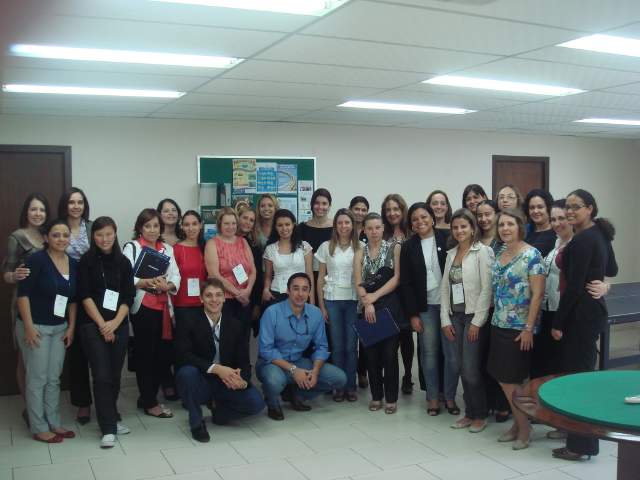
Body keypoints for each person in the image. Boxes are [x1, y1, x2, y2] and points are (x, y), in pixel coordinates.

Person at [551, 189, 618, 461]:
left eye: (575, 207)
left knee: (578, 382)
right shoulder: (599, 233)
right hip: (593, 313)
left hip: (580, 317)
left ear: (590, 208)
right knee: (583, 378)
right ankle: (579, 440)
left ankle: (580, 446)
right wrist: (603, 283)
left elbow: (574, 287)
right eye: (567, 206)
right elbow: (611, 269)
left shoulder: (582, 240)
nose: (569, 211)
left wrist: (558, 322)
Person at [175, 278, 265, 442]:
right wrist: (217, 369)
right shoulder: (188, 320)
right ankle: (196, 422)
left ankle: (220, 412)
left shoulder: (236, 324)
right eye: (209, 295)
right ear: (201, 299)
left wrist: (242, 381)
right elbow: (183, 356)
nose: (214, 300)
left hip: (226, 382)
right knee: (187, 373)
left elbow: (244, 362)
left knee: (256, 403)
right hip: (200, 380)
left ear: (224, 298)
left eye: (218, 295)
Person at [487, 208, 545, 451]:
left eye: (510, 224)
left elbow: (538, 294)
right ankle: (517, 425)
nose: (505, 228)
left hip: (519, 328)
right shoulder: (500, 252)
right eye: (501, 225)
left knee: (512, 382)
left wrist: (529, 328)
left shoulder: (532, 255)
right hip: (498, 323)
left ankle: (524, 429)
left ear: (520, 226)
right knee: (504, 380)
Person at [16, 219, 77, 443]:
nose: (61, 239)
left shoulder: (73, 263)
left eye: (65, 235)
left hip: (60, 328)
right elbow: (23, 295)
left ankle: (54, 422)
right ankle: (38, 427)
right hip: (36, 328)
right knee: (37, 378)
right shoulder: (37, 260)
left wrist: (71, 327)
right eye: (55, 235)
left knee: (53, 378)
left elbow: (73, 300)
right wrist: (29, 327)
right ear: (46, 238)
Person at [76, 217, 135, 448]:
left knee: (114, 375)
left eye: (108, 234)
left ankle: (111, 417)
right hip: (92, 325)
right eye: (99, 234)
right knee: (101, 376)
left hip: (119, 324)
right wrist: (103, 325)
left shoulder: (123, 262)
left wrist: (115, 323)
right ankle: (108, 428)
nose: (104, 239)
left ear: (115, 234)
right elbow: (84, 295)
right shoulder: (86, 261)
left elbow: (128, 296)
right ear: (93, 236)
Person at [256, 273, 347, 420]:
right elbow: (266, 350)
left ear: (309, 292)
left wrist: (315, 371)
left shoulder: (315, 314)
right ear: (288, 291)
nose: (300, 294)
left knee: (339, 378)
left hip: (298, 361)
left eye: (305, 289)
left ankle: (297, 395)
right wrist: (293, 370)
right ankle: (272, 403)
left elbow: (321, 347)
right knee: (274, 381)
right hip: (272, 363)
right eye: (296, 288)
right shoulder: (272, 312)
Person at [399, 203, 458, 416]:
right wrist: (413, 315)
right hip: (425, 308)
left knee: (451, 354)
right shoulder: (408, 246)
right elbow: (406, 284)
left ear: (432, 218)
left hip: (450, 306)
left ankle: (449, 396)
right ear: (411, 224)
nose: (420, 222)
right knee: (429, 354)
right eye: (415, 219)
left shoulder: (448, 238)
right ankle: (432, 397)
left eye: (424, 217)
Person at [123, 208, 181, 418]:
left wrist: (168, 285)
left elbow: (176, 275)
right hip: (143, 308)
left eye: (156, 225)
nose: (152, 229)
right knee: (146, 356)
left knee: (162, 356)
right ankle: (150, 402)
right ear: (140, 227)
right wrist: (146, 282)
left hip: (163, 308)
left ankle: (147, 396)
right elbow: (125, 276)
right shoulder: (132, 247)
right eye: (147, 226)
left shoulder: (167, 248)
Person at [440, 209, 494, 432]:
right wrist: (445, 319)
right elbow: (445, 289)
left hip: (473, 316)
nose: (459, 230)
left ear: (473, 228)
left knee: (471, 369)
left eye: (464, 226)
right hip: (455, 316)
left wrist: (477, 322)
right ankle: (469, 413)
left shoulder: (483, 252)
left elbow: (487, 289)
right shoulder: (451, 254)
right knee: (460, 366)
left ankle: (480, 414)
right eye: (455, 227)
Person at [2, 193, 49, 426]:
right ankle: (30, 409)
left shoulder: (48, 235)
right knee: (26, 357)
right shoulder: (17, 237)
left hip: (48, 304)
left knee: (42, 360)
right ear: (26, 212)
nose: (38, 213)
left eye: (42, 209)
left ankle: (42, 406)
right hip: (24, 303)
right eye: (33, 209)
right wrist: (15, 275)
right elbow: (6, 274)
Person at [354, 213, 403, 414]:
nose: (374, 232)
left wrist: (374, 297)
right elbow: (358, 282)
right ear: (364, 230)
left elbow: (397, 278)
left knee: (390, 355)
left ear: (383, 228)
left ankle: (391, 398)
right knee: (371, 355)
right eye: (370, 228)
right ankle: (376, 396)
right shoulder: (359, 252)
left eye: (377, 227)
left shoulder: (394, 248)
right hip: (366, 309)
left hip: (388, 308)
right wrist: (367, 303)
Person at [316, 209, 361, 402]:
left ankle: (351, 386)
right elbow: (320, 278)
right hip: (332, 300)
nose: (344, 226)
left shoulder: (360, 247)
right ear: (335, 225)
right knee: (337, 346)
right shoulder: (326, 246)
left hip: (352, 301)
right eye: (340, 222)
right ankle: (339, 386)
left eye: (347, 222)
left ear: (352, 225)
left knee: (351, 346)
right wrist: (321, 306)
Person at [58, 187, 93, 424]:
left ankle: (105, 400)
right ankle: (82, 403)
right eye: (72, 202)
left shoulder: (91, 227)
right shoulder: (58, 228)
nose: (76, 206)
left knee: (97, 349)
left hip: (92, 293)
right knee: (77, 351)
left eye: (80, 202)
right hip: (67, 295)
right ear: (65, 205)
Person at [475, 199, 510, 423]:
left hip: (500, 310)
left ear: (496, 214)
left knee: (499, 360)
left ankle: (502, 404)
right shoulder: (473, 240)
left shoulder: (504, 241)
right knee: (481, 359)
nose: (484, 219)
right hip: (478, 309)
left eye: (488, 214)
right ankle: (486, 401)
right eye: (480, 215)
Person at [381, 194, 414, 394]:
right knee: (387, 338)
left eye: (396, 209)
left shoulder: (412, 232)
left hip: (406, 293)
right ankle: (389, 376)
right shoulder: (382, 233)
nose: (392, 213)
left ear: (403, 210)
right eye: (388, 210)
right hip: (386, 293)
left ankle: (408, 375)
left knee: (406, 337)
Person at [205, 208, 256, 335]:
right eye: (226, 223)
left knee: (243, 339)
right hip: (224, 301)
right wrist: (237, 293)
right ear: (219, 225)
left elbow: (253, 270)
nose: (230, 227)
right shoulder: (212, 244)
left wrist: (248, 290)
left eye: (233, 223)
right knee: (227, 340)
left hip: (245, 299)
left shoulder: (243, 241)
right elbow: (214, 275)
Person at [262, 209, 314, 306]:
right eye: (280, 225)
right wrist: (266, 289)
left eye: (287, 224)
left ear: (293, 225)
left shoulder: (304, 247)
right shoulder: (270, 249)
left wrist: (312, 300)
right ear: (275, 227)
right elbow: (268, 276)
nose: (284, 228)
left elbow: (309, 274)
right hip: (277, 294)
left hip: (301, 294)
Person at [349, 195, 370, 388]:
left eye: (364, 209)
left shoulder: (369, 232)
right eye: (357, 208)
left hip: (364, 292)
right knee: (349, 339)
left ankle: (362, 372)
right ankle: (349, 373)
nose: (360, 212)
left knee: (364, 337)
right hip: (346, 292)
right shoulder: (344, 230)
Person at [173, 211, 207, 324]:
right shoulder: (176, 249)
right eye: (187, 224)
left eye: (194, 224)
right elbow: (171, 279)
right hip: (182, 305)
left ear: (200, 225)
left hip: (204, 303)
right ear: (182, 227)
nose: (191, 228)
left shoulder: (206, 247)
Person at [298, 188, 333, 295]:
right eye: (317, 203)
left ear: (329, 206)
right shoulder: (301, 228)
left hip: (331, 277)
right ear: (312, 205)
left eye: (324, 203)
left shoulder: (337, 228)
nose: (320, 207)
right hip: (307, 276)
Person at [237, 205, 263, 335]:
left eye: (251, 220)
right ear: (237, 218)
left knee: (243, 337)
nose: (248, 222)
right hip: (227, 296)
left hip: (248, 296)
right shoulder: (223, 241)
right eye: (245, 218)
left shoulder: (254, 246)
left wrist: (257, 304)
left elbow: (258, 276)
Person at [524, 189, 556, 257]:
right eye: (532, 208)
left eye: (540, 207)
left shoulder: (556, 233)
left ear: (548, 208)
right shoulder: (525, 232)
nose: (535, 211)